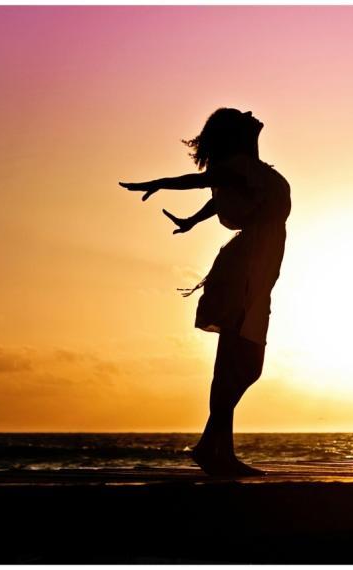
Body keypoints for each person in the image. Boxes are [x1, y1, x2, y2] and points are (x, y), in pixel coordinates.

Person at [120, 108, 291, 476]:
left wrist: (192, 221)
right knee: (239, 361)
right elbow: (198, 182)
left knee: (241, 364)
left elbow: (217, 198)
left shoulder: (251, 171)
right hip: (244, 271)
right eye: (241, 114)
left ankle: (210, 447)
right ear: (236, 132)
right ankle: (216, 450)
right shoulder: (238, 166)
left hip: (256, 270)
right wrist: (159, 183)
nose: (250, 112)